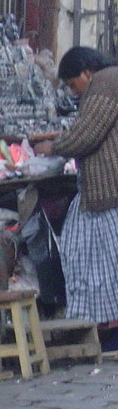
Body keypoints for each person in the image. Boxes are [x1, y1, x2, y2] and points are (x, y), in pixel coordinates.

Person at [33, 46, 118, 333]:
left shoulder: (104, 82)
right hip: (103, 191)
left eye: (72, 84)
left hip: (109, 192)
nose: (73, 92)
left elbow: (87, 134)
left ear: (86, 72)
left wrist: (52, 147)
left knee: (97, 259)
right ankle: (103, 321)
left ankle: (106, 324)